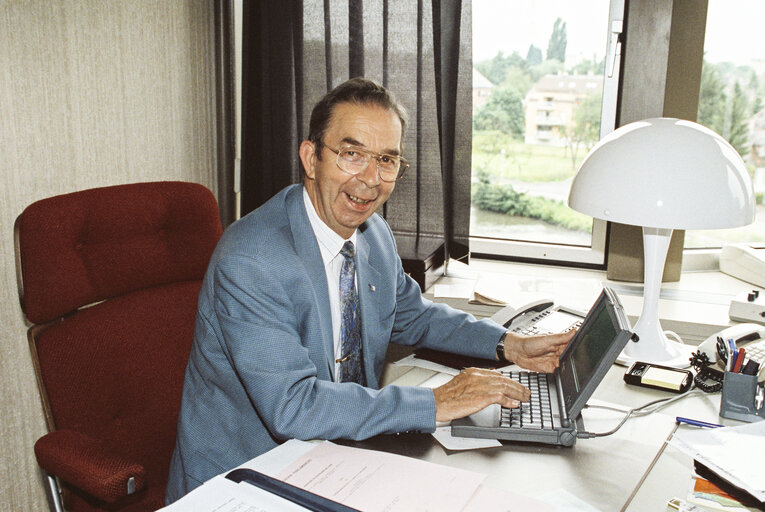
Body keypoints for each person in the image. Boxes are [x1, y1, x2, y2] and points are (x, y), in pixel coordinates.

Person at [165, 77, 574, 503]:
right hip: (247, 480)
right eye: (351, 154)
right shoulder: (252, 259)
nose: (370, 179)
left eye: (386, 160)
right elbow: (295, 406)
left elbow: (412, 315)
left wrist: (509, 345)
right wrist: (434, 403)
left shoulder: (372, 233)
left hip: (341, 457)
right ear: (311, 159)